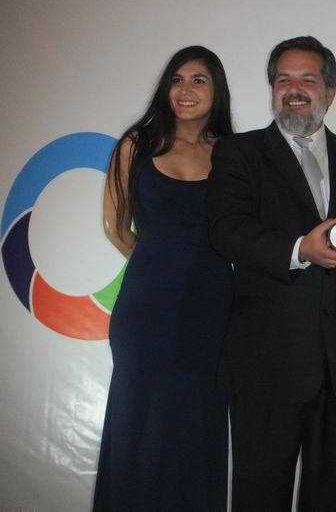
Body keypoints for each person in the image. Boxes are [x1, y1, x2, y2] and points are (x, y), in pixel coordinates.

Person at [206, 36, 336, 512]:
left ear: (330, 92)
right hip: (266, 368)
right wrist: (302, 249)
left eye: (308, 79)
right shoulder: (238, 154)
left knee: (333, 501)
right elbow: (227, 231)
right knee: (259, 499)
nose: (294, 89)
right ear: (272, 90)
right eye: (284, 80)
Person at [93, 46, 234, 511]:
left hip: (211, 313)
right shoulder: (136, 145)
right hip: (146, 314)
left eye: (198, 80)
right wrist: (162, 266)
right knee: (140, 428)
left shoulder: (232, 154)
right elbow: (115, 227)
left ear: (217, 91)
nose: (185, 90)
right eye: (177, 79)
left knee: (197, 429)